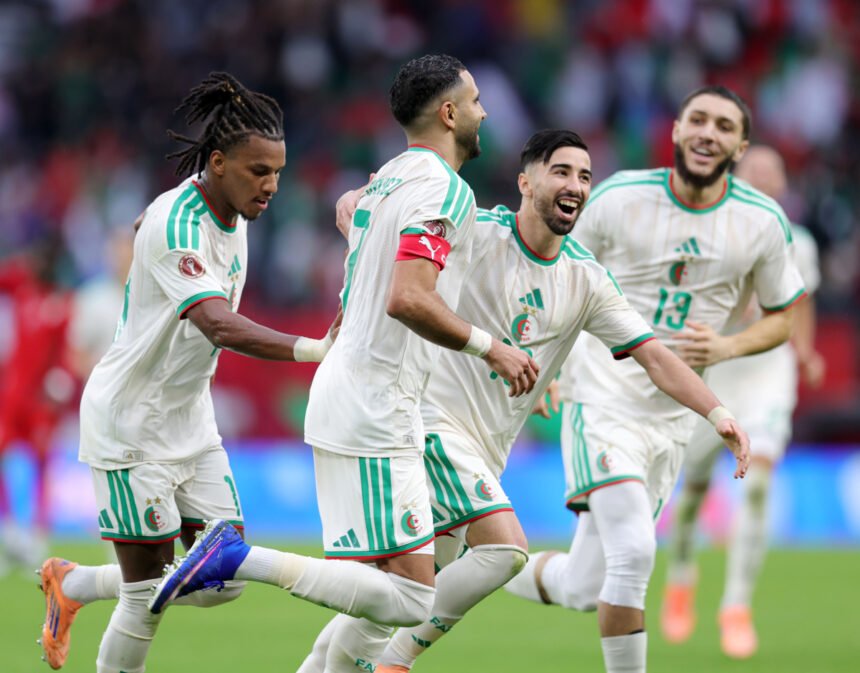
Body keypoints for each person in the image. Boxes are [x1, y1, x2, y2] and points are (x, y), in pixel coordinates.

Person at [143, 54, 540, 673]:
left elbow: (352, 213)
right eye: (478, 100)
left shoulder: (383, 180)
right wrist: (494, 347)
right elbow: (408, 296)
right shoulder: (444, 189)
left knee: (384, 596)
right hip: (378, 403)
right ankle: (237, 558)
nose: (486, 112)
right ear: (450, 112)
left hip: (358, 394)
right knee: (411, 596)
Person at [307, 129, 751, 673]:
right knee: (504, 549)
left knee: (388, 601)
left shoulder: (585, 279)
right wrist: (355, 202)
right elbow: (389, 223)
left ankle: (333, 663)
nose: (575, 185)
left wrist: (718, 411)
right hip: (426, 423)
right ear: (525, 181)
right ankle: (399, 662)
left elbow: (655, 356)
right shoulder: (477, 232)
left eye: (585, 176)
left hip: (485, 450)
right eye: (561, 171)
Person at [36, 71, 338, 672]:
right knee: (145, 598)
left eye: (278, 171)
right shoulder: (179, 221)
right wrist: (313, 349)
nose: (273, 185)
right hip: (130, 425)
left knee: (225, 577)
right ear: (219, 162)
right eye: (260, 171)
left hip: (190, 422)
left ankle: (72, 584)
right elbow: (219, 323)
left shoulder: (235, 214)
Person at [505, 86, 807, 673]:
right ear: (675, 130)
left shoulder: (763, 222)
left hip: (672, 417)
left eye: (723, 126)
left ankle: (481, 563)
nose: (708, 132)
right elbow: (555, 269)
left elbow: (783, 317)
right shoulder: (617, 198)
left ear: (739, 144)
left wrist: (726, 345)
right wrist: (552, 365)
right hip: (602, 394)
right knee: (636, 553)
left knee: (581, 585)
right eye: (698, 119)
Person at [660, 145, 825, 659]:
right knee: (693, 494)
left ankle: (735, 605)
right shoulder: (710, 231)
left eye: (774, 173)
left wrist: (806, 351)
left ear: (781, 184)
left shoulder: (798, 243)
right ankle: (682, 576)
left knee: (758, 487)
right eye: (755, 171)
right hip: (715, 373)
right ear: (737, 177)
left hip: (769, 375)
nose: (765, 179)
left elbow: (801, 302)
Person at [0, 236, 75, 572]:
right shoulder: (22, 290)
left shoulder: (61, 305)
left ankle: (37, 535)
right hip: (11, 396)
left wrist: (60, 380)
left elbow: (63, 352)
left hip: (40, 402)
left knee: (42, 464)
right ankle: (10, 529)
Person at [67, 226, 135, 382]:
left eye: (124, 250)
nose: (119, 257)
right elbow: (76, 354)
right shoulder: (91, 298)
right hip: (103, 393)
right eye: (114, 251)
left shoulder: (150, 298)